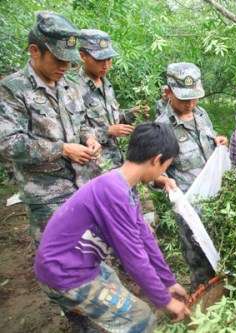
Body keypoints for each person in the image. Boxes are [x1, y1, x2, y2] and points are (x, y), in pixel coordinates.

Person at [35, 122, 190, 332]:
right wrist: (165, 301)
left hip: (80, 263)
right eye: (165, 167)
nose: (162, 173)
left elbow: (145, 237)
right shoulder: (114, 192)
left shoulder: (123, 185)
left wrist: (168, 281)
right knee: (141, 318)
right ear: (156, 160)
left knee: (115, 288)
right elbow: (133, 258)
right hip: (63, 272)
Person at [0, 12, 101, 241]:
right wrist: (63, 149)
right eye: (58, 60)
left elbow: (83, 123)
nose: (65, 66)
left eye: (69, 60)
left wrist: (90, 139)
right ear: (35, 51)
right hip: (47, 195)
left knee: (93, 252)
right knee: (62, 261)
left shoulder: (70, 85)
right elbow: (7, 143)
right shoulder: (12, 89)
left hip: (85, 184)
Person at [155, 62, 227, 289]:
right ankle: (203, 299)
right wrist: (163, 180)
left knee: (223, 253)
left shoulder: (201, 114)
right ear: (168, 92)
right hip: (190, 209)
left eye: (195, 98)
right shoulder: (162, 128)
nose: (191, 104)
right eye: (185, 99)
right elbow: (153, 172)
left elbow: (209, 140)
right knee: (200, 263)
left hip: (216, 201)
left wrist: (218, 141)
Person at [78, 29, 148, 170]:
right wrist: (107, 131)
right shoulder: (73, 88)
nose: (105, 65)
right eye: (99, 60)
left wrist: (129, 114)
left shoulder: (106, 84)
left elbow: (109, 117)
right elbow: (74, 131)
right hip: (95, 166)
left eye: (109, 59)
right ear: (83, 56)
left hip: (117, 160)